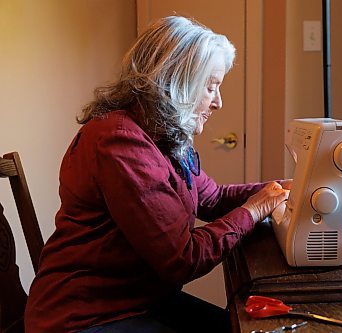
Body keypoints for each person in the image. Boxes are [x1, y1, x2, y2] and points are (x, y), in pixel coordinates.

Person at [25, 16, 290, 333]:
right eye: (211, 87)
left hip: (136, 302)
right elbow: (184, 259)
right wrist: (255, 209)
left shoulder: (161, 136)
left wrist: (284, 188)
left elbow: (213, 197)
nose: (218, 102)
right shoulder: (119, 141)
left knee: (237, 327)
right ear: (177, 83)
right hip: (84, 318)